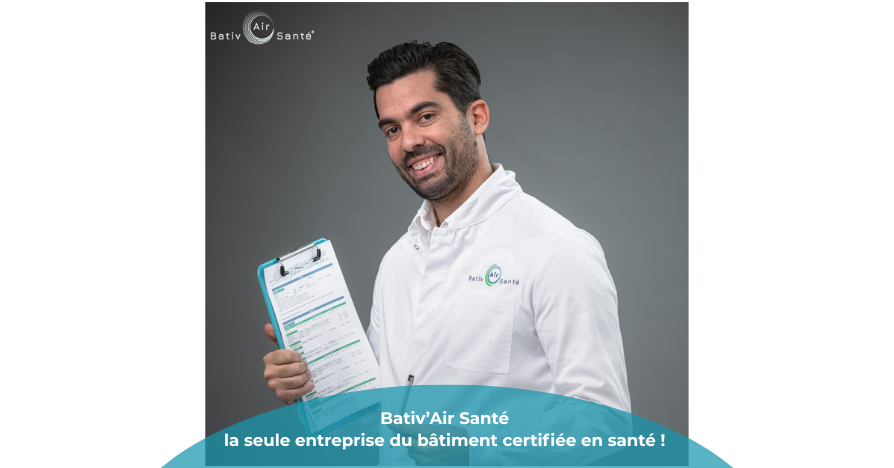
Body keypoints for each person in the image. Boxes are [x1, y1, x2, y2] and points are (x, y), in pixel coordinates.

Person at [262, 41, 630, 415]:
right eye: (392, 129)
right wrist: (309, 384)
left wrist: (469, 443)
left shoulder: (556, 249)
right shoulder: (397, 263)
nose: (408, 142)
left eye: (425, 117)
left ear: (477, 118)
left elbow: (603, 425)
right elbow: (375, 409)